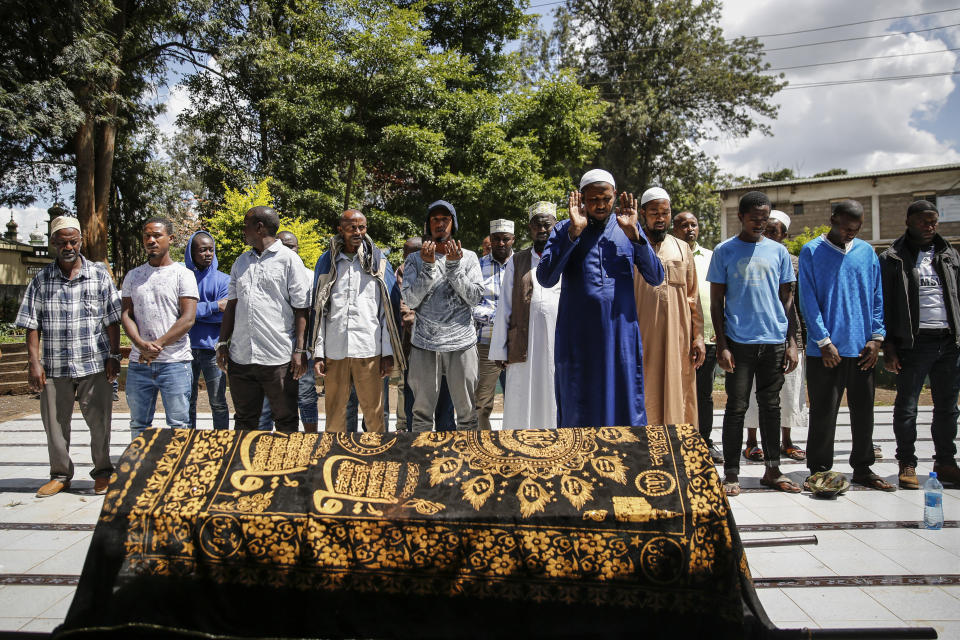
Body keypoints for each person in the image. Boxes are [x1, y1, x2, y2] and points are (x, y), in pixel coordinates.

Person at [537, 169, 664, 428]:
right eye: (593, 199)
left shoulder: (629, 228)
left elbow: (656, 277)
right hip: (578, 337)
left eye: (605, 199)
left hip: (621, 336)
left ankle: (627, 461)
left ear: (615, 196)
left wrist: (636, 237)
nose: (600, 205)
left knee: (625, 401)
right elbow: (546, 278)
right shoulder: (564, 229)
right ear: (581, 199)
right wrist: (573, 234)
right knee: (578, 403)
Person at [16, 216, 122, 497]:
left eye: (73, 241)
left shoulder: (99, 275)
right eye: (62, 242)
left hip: (93, 363)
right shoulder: (41, 280)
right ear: (53, 244)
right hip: (54, 366)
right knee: (55, 425)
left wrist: (113, 355)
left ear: (81, 242)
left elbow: (113, 319)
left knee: (100, 423)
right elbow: (31, 324)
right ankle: (60, 475)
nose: (68, 246)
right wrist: (34, 362)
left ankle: (102, 472)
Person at [707, 191, 799, 496]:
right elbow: (717, 301)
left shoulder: (778, 252)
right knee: (736, 408)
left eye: (764, 218)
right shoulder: (725, 251)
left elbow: (787, 297)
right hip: (739, 342)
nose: (759, 223)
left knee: (771, 407)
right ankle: (731, 474)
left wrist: (791, 341)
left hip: (772, 341)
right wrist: (722, 345)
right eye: (754, 218)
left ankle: (773, 470)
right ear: (741, 217)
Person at [799, 199, 892, 491]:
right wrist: (824, 341)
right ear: (833, 219)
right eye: (846, 227)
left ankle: (863, 468)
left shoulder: (866, 252)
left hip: (862, 347)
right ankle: (819, 470)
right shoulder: (812, 251)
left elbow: (878, 296)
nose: (851, 232)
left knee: (864, 412)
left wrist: (876, 338)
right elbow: (808, 300)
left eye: (856, 228)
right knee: (823, 413)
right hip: (825, 351)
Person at [880, 200, 960, 488]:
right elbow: (885, 304)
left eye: (934, 221)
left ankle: (946, 462)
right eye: (924, 221)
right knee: (907, 407)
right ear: (909, 222)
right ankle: (907, 463)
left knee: (948, 407)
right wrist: (888, 346)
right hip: (914, 342)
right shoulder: (893, 257)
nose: (930, 226)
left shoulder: (949, 253)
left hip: (949, 341)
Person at [308, 209, 403, 433]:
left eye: (362, 227)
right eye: (352, 227)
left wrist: (387, 353)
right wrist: (318, 353)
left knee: (374, 415)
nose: (358, 232)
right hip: (335, 349)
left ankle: (376, 460)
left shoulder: (379, 262)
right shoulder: (326, 262)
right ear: (341, 229)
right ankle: (335, 459)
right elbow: (319, 310)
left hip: (369, 350)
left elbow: (386, 312)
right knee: (334, 414)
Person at [216, 206, 310, 431]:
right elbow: (232, 305)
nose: (243, 230)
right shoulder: (241, 262)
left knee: (285, 419)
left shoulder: (289, 260)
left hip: (278, 358)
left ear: (259, 228)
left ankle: (286, 466)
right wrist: (222, 343)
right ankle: (243, 466)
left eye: (245, 225)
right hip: (242, 357)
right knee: (244, 420)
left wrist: (299, 350)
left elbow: (301, 309)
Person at [402, 200, 484, 431]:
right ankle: (422, 461)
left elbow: (475, 298)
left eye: (445, 219)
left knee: (467, 414)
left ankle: (468, 462)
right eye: (435, 219)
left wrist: (454, 268)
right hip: (425, 344)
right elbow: (409, 300)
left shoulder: (468, 258)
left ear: (453, 224)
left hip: (462, 342)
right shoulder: (415, 260)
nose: (440, 224)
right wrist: (427, 268)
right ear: (428, 225)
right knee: (421, 414)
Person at [121, 217, 198, 438]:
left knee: (179, 424)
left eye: (157, 235)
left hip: (174, 362)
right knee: (138, 424)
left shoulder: (183, 275)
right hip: (139, 363)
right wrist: (139, 344)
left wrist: (157, 345)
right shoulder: (133, 276)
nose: (151, 240)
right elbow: (126, 314)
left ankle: (178, 470)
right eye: (147, 236)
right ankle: (140, 470)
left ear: (170, 239)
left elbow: (188, 318)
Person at [634, 187, 704, 427]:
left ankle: (679, 449)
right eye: (654, 212)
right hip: (642, 336)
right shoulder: (630, 246)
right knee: (643, 389)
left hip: (678, 337)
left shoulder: (682, 248)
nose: (660, 218)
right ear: (643, 213)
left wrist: (699, 337)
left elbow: (692, 297)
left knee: (679, 390)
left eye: (665, 212)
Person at [489, 201, 562, 429]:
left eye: (546, 225)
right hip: (524, 344)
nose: (542, 230)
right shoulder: (517, 261)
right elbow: (505, 307)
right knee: (522, 397)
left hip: (556, 341)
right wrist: (500, 348)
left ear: (556, 226)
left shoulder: (566, 257)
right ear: (530, 229)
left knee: (554, 394)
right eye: (536, 226)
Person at [743, 210, 807, 462]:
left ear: (784, 235)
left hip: (790, 336)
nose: (767, 234)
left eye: (773, 231)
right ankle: (751, 441)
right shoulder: (749, 257)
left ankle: (787, 441)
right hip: (755, 334)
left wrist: (796, 341)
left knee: (787, 392)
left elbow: (798, 304)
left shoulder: (795, 263)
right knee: (754, 391)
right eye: (765, 229)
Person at [673, 211, 723, 462]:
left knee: (703, 393)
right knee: (677, 391)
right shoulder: (669, 254)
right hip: (677, 337)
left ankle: (705, 441)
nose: (689, 229)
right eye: (683, 225)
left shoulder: (711, 257)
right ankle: (678, 439)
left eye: (693, 225)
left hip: (707, 337)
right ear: (674, 228)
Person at [396, 237, 456, 431]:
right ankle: (417, 452)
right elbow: (407, 312)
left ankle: (447, 452)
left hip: (445, 348)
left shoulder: (444, 266)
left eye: (415, 252)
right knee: (416, 406)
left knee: (445, 408)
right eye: (408, 253)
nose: (411, 257)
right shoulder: (403, 272)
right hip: (415, 349)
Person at [261, 230, 319, 432]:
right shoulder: (267, 273)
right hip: (274, 346)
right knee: (272, 396)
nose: (287, 250)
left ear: (298, 249)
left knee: (305, 394)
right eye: (283, 246)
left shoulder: (311, 276)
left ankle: (311, 437)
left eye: (291, 246)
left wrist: (304, 349)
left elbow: (313, 314)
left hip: (303, 348)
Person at [184, 231, 230, 430]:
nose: (208, 254)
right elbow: (179, 313)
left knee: (218, 401)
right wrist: (212, 307)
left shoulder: (224, 280)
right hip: (184, 349)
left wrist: (192, 312)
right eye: (202, 250)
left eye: (211, 249)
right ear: (191, 252)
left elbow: (225, 314)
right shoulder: (182, 277)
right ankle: (188, 442)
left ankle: (222, 442)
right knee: (188, 402)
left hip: (213, 350)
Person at [473, 219, 514, 429]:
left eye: (505, 239)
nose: (500, 243)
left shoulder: (523, 263)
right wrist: (498, 317)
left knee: (517, 396)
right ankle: (483, 442)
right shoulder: (477, 265)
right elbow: (471, 304)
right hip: (486, 341)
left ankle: (515, 441)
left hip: (518, 343)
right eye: (496, 239)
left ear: (512, 240)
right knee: (482, 399)